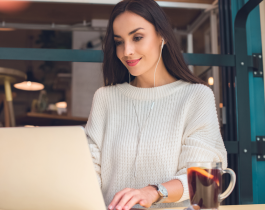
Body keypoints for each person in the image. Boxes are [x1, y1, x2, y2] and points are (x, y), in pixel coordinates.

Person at [85, 0, 227, 209]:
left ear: (162, 36)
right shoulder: (105, 99)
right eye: (119, 42)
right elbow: (88, 173)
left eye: (137, 37)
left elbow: (205, 184)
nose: (127, 51)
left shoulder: (196, 96)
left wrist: (154, 192)